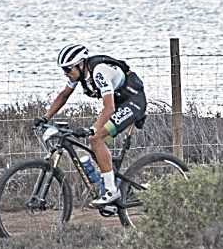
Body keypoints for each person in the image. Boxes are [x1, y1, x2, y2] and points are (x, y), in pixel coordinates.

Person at [36, 44, 147, 206]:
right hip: (119, 103)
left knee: (96, 138)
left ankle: (111, 191)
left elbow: (109, 108)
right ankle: (117, 188)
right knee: (96, 146)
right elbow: (63, 96)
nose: (66, 73)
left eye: (68, 69)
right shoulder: (79, 74)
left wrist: (93, 128)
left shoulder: (99, 72)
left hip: (133, 102)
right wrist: (45, 117)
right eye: (63, 70)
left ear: (80, 64)